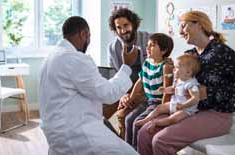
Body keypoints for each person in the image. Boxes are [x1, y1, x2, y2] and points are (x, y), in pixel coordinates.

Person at [137, 10, 235, 155]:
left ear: (200, 25)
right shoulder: (190, 55)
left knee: (161, 140)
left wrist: (207, 93)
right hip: (188, 109)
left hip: (216, 114)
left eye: (183, 26)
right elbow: (179, 83)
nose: (180, 31)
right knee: (144, 133)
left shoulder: (222, 52)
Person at [39, 16, 139, 155]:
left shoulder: (51, 57)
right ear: (83, 34)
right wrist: (126, 65)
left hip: (55, 132)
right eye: (89, 36)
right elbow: (108, 94)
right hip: (76, 133)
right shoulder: (75, 59)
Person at [117, 33, 174, 148]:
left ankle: (137, 150)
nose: (147, 48)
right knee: (128, 120)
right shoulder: (147, 62)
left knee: (137, 123)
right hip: (148, 101)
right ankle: (128, 150)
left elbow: (167, 92)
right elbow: (140, 82)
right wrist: (131, 98)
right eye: (147, 45)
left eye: (152, 45)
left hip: (158, 103)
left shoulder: (166, 66)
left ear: (163, 51)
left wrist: (162, 111)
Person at [135, 54, 200, 135]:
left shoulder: (191, 84)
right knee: (159, 108)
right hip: (174, 104)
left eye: (176, 68)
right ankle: (147, 119)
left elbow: (195, 98)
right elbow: (173, 89)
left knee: (173, 119)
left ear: (188, 72)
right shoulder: (178, 80)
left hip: (186, 110)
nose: (173, 69)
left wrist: (183, 106)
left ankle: (156, 122)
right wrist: (165, 90)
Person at [105, 8, 150, 120]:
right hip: (125, 88)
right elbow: (114, 75)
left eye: (126, 25)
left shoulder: (149, 39)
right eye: (119, 27)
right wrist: (123, 94)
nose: (123, 30)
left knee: (123, 114)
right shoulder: (112, 48)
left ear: (133, 24)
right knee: (101, 109)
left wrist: (134, 95)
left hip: (145, 88)